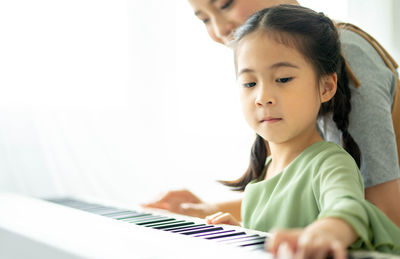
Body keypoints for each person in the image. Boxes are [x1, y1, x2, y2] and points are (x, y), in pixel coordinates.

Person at [143, 0, 400, 228]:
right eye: (205, 19)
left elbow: (378, 213)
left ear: (327, 86)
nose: (220, 30)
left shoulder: (347, 54)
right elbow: (299, 195)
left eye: (224, 5)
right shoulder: (274, 158)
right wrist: (211, 215)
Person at [210, 5, 399, 259]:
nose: (262, 97)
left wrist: (329, 229)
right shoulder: (264, 172)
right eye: (250, 83)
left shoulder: (329, 162)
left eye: (283, 79)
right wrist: (244, 234)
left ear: (326, 87)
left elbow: (349, 207)